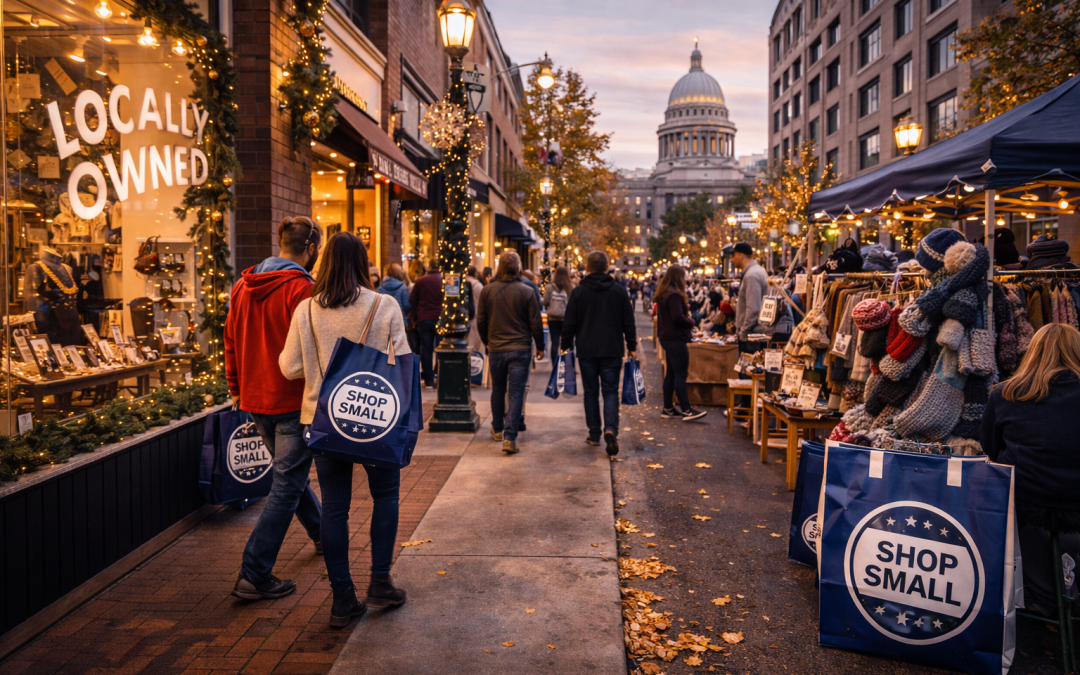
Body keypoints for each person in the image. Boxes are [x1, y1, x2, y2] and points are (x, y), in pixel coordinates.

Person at [279, 232, 411, 627]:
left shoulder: (305, 310)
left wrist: (323, 369)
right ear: (361, 262)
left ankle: (342, 598)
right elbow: (401, 360)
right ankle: (381, 582)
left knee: (335, 508)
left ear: (325, 263)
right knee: (385, 496)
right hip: (376, 422)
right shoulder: (384, 305)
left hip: (324, 424)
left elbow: (289, 367)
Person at [225, 216, 323, 601]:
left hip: (255, 398)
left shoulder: (241, 286)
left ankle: (321, 535)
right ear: (311, 248)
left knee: (289, 479)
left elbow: (229, 340)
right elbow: (312, 351)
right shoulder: (302, 290)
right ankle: (254, 572)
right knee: (286, 485)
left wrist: (236, 388)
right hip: (292, 403)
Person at [981, 323, 1080, 616]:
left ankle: (1035, 596)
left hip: (1026, 497)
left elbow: (989, 446)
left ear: (1032, 352)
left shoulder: (1005, 393)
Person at [560, 251, 637, 455]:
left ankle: (594, 433)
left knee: (591, 392)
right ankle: (610, 429)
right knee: (610, 391)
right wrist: (632, 346)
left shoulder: (579, 293)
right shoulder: (619, 291)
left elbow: (570, 322)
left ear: (587, 269)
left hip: (587, 349)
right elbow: (628, 321)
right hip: (612, 348)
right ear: (607, 267)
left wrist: (565, 344)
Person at [477, 250, 544, 454]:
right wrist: (540, 346)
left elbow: (481, 321)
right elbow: (536, 323)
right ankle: (510, 437)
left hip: (496, 348)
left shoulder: (487, 291)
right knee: (515, 392)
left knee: (497, 390)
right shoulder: (527, 291)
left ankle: (497, 428)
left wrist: (488, 342)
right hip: (520, 349)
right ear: (518, 268)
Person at [655, 265, 706, 421]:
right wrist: (692, 321)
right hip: (675, 338)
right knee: (680, 374)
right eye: (684, 277)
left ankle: (668, 408)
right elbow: (677, 317)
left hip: (667, 337)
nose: (685, 280)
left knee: (671, 373)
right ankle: (686, 409)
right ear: (678, 277)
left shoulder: (664, 293)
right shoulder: (674, 295)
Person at [409, 258, 442, 388]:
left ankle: (428, 380)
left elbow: (411, 300)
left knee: (425, 349)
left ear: (429, 267)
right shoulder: (444, 280)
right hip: (440, 318)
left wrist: (418, 311)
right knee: (441, 348)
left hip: (424, 318)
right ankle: (439, 376)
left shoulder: (420, 280)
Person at [731, 242, 769, 355]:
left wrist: (743, 332)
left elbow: (753, 308)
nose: (731, 260)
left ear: (740, 255)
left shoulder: (752, 275)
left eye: (733, 256)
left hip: (751, 336)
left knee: (747, 371)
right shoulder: (756, 271)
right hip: (754, 334)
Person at [543, 266, 572, 363]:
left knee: (554, 342)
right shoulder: (570, 287)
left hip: (553, 318)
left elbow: (545, 301)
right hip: (567, 319)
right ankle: (569, 366)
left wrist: (549, 307)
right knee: (568, 342)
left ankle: (555, 366)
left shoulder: (550, 287)